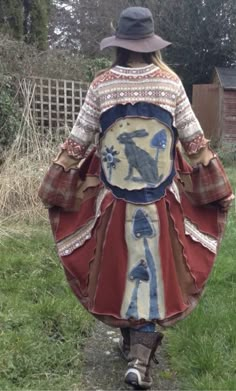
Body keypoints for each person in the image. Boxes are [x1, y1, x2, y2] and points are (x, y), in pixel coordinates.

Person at [39, 7, 233, 390]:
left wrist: (55, 181)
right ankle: (139, 354)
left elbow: (77, 143)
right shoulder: (170, 83)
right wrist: (217, 186)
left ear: (120, 45)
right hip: (160, 200)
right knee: (154, 266)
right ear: (150, 44)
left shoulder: (102, 84)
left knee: (121, 263)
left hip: (115, 201)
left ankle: (134, 347)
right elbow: (194, 143)